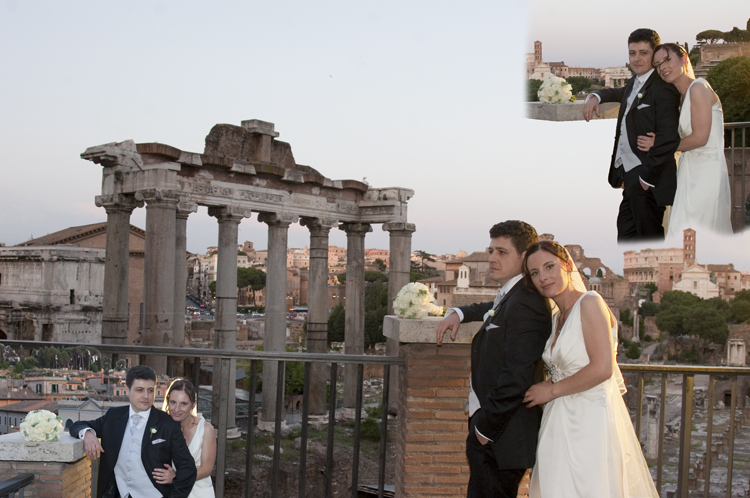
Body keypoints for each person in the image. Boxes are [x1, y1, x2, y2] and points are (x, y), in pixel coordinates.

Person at [522, 241, 658, 498]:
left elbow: (602, 368)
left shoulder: (590, 302)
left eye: (549, 267)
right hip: (557, 420)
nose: (543, 277)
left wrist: (550, 391)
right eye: (535, 273)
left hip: (589, 421)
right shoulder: (555, 318)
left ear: (568, 266)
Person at [435, 220, 552, 498]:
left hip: (502, 436)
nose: (491, 258)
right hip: (495, 434)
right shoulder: (514, 295)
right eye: (490, 251)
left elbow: (517, 376)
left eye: (501, 252)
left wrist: (485, 429)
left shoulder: (527, 302)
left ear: (524, 258)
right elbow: (492, 308)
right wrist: (460, 313)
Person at [583, 28, 681, 241]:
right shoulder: (634, 82)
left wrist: (646, 178)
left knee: (649, 239)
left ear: (654, 55)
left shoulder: (663, 88)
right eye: (632, 53)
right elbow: (616, 93)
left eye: (644, 53)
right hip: (630, 177)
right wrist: (595, 97)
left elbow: (669, 138)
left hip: (647, 178)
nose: (637, 59)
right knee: (626, 235)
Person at [636, 43, 733, 237]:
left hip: (705, 173)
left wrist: (659, 145)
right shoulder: (681, 97)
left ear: (684, 59)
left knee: (697, 230)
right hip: (689, 170)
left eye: (667, 60)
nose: (662, 67)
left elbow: (700, 138)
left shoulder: (698, 87)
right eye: (658, 64)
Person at [70, 365, 197, 498]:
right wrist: (88, 433)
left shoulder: (168, 424)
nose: (146, 396)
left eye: (150, 390)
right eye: (139, 390)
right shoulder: (114, 416)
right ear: (127, 389)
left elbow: (188, 468)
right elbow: (77, 425)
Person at [152, 379, 216, 498]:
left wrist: (177, 477)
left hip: (199, 491)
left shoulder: (205, 429)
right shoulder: (162, 428)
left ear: (193, 404)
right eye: (173, 402)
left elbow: (207, 469)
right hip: (171, 491)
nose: (176, 409)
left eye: (183, 404)